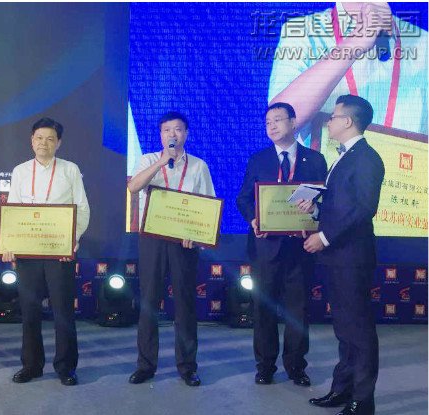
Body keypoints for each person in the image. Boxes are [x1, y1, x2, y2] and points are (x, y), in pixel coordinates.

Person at [298, 95, 384, 415]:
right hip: (339, 256)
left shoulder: (366, 158)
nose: (328, 122)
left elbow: (363, 209)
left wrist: (324, 237)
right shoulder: (344, 156)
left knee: (358, 330)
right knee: (344, 328)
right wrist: (316, 209)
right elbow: (341, 206)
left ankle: (363, 400)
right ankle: (342, 389)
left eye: (333, 117)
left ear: (347, 121)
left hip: (351, 257)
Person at [236, 103, 327, 386]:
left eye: (277, 120)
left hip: (301, 247)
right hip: (265, 248)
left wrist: (315, 210)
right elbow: (244, 199)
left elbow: (326, 201)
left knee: (297, 310)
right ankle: (265, 366)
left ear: (293, 122)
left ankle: (296, 366)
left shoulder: (315, 159)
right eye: (267, 122)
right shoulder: (258, 159)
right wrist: (254, 219)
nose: (272, 126)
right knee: (264, 309)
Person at [127, 111, 215, 386]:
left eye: (177, 129)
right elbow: (134, 187)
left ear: (186, 134)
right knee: (149, 301)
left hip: (184, 242)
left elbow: (208, 204)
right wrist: (161, 162)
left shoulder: (199, 166)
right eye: (167, 130)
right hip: (152, 239)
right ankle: (145, 365)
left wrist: (197, 235)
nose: (172, 134)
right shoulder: (148, 159)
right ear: (161, 135)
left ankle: (187, 367)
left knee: (185, 304)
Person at [2, 117, 90, 386]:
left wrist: (70, 242)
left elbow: (82, 209)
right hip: (28, 253)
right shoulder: (20, 171)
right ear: (32, 141)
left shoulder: (70, 170)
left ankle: (66, 367)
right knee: (29, 311)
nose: (44, 143)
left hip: (59, 252)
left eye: (50, 139)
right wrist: (9, 244)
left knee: (63, 311)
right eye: (39, 138)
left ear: (58, 143)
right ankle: (31, 366)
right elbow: (13, 211)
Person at [268, 2, 427, 146]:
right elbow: (280, 123)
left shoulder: (423, 44)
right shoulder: (302, 33)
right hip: (326, 169)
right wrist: (357, 41)